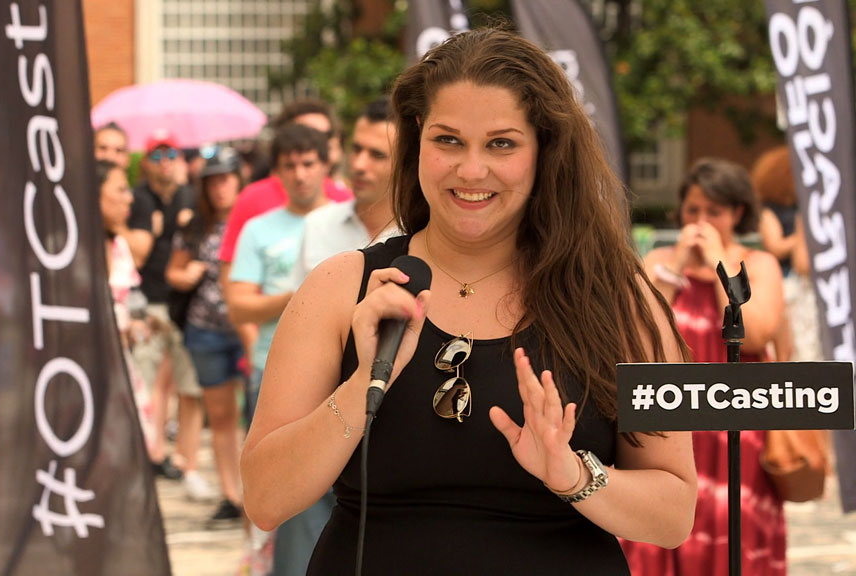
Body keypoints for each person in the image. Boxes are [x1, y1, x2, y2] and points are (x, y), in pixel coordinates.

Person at [239, 27, 697, 575]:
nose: (471, 170)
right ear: (417, 139)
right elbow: (265, 499)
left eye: (501, 144)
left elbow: (674, 514)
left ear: (544, 150)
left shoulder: (621, 301)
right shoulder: (340, 287)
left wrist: (575, 476)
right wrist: (362, 385)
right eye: (448, 141)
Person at [625, 158, 787, 575]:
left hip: (737, 425)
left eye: (713, 211)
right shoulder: (659, 260)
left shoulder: (758, 264)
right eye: (693, 210)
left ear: (736, 213)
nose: (700, 222)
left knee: (733, 523)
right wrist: (677, 264)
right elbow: (636, 333)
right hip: (670, 421)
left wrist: (719, 265)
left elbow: (755, 334)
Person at [226, 123, 337, 575]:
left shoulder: (350, 221)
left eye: (308, 163)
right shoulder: (259, 229)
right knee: (280, 505)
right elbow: (238, 304)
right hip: (273, 375)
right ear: (277, 172)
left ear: (326, 165)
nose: (300, 174)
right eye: (290, 166)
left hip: (342, 379)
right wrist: (303, 294)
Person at [167, 147, 247, 523]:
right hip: (207, 332)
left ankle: (256, 495)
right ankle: (232, 495)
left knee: (256, 414)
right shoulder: (194, 226)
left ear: (238, 180)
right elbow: (173, 271)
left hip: (249, 330)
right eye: (212, 181)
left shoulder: (253, 223)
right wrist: (187, 275)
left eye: (225, 179)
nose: (219, 188)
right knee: (221, 418)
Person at [126, 129, 204, 485]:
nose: (164, 163)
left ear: (181, 159)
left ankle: (186, 463)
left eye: (170, 154)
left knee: (190, 387)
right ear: (146, 162)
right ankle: (149, 455)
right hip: (148, 302)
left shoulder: (191, 195)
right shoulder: (138, 198)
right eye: (157, 156)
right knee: (146, 383)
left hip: (184, 306)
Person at [291, 96, 400, 283]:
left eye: (377, 155)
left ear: (406, 163)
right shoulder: (317, 226)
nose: (359, 165)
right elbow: (297, 299)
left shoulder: (424, 234)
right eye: (356, 149)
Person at [97, 159, 156, 451]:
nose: (129, 198)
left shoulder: (120, 245)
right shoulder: (65, 250)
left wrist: (138, 324)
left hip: (121, 366)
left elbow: (133, 299)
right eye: (120, 189)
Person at [752, 145, 821, 362]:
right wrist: (801, 236)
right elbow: (775, 246)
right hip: (783, 280)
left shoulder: (800, 209)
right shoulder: (768, 212)